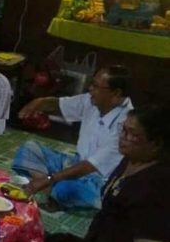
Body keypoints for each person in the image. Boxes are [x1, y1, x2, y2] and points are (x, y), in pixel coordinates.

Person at [44, 106, 170, 242]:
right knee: (51, 241)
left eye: (132, 134)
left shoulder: (157, 186)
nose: (123, 137)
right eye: (123, 129)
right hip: (95, 241)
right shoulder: (130, 159)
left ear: (156, 144)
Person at [13, 65, 133, 210]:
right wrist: (39, 102)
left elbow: (90, 166)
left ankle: (52, 188)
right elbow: (60, 104)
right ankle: (50, 189)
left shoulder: (127, 126)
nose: (90, 89)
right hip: (75, 163)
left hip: (99, 180)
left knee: (66, 189)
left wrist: (51, 178)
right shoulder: (93, 101)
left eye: (95, 86)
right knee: (28, 149)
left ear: (116, 93)